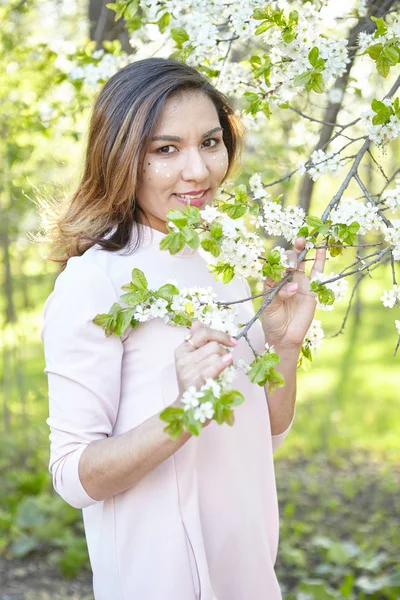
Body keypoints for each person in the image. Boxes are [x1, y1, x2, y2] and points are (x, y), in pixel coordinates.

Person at [41, 57, 325, 600]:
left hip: (247, 568)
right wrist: (182, 413)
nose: (197, 170)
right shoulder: (95, 281)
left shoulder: (230, 258)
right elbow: (75, 477)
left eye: (210, 142)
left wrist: (284, 348)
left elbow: (262, 434)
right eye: (165, 149)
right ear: (122, 156)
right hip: (160, 576)